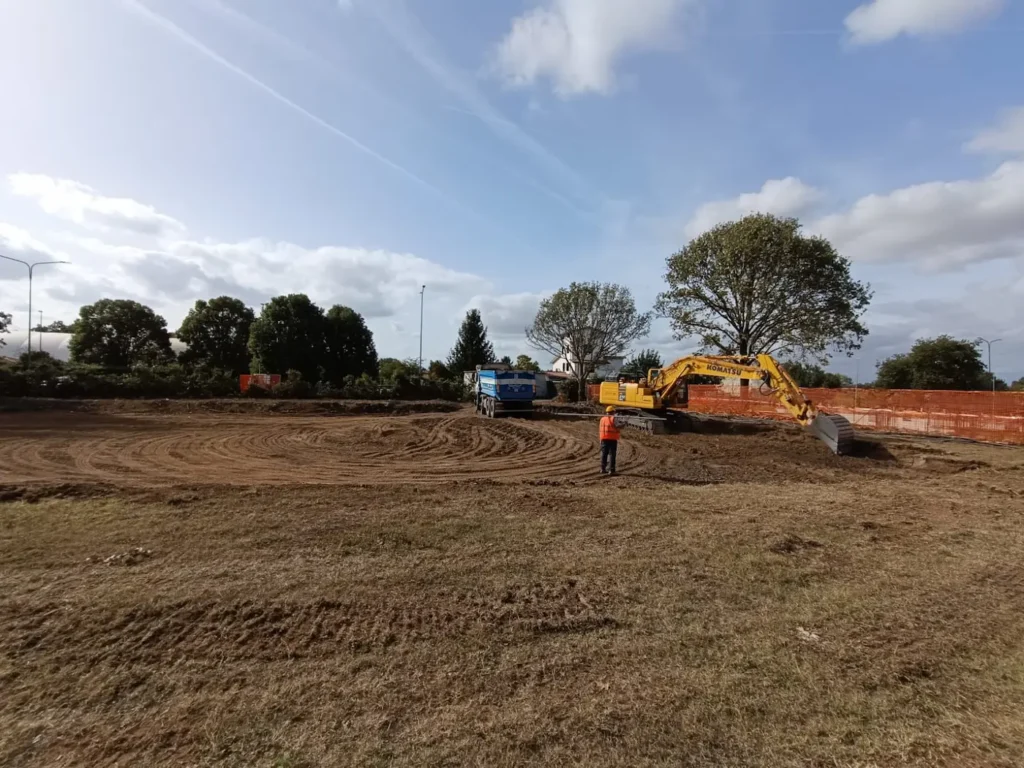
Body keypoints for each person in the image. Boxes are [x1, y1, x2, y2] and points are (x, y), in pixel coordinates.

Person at [599, 405, 622, 475]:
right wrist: (624, 424)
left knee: (604, 454)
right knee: (612, 454)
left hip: (603, 438)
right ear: (612, 412)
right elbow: (617, 425)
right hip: (612, 438)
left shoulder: (602, 419)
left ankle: (602, 469)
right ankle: (611, 470)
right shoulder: (613, 418)